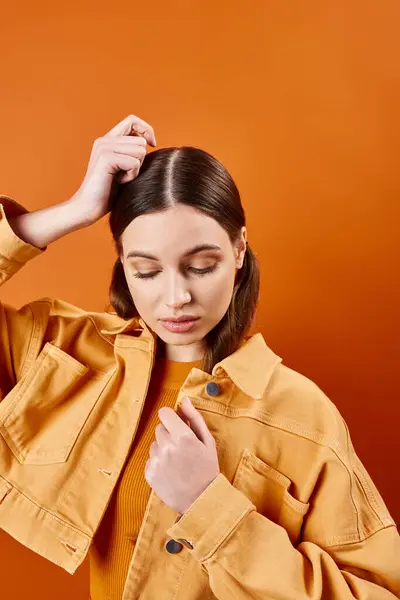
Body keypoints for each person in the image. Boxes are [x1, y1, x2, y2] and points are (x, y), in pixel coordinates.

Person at [0, 114, 398, 600]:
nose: (176, 297)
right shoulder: (65, 355)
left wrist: (209, 507)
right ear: (122, 265)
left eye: (201, 265)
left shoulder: (301, 416)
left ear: (238, 251)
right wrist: (73, 211)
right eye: (145, 270)